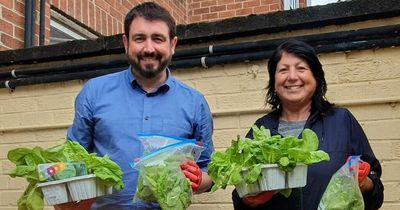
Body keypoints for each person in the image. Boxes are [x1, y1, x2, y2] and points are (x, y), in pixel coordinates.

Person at [63, 2, 214, 209]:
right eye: (140, 38)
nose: (149, 48)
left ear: (173, 44)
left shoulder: (195, 103)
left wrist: (198, 179)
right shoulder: (94, 92)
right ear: (126, 42)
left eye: (158, 39)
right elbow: (73, 159)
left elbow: (209, 172)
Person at [231, 39, 384, 210]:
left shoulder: (342, 121)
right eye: (283, 70)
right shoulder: (261, 130)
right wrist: (247, 199)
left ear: (316, 77)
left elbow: (375, 191)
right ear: (274, 82)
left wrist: (365, 183)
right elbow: (239, 194)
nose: (292, 77)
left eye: (301, 68)